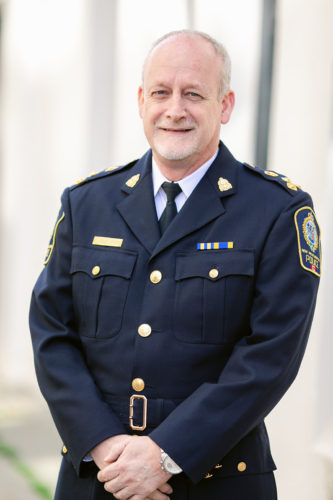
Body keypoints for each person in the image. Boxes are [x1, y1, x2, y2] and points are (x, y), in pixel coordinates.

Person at [29, 30, 321, 500]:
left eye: (194, 94)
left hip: (217, 480)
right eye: (161, 93)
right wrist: (105, 446)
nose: (175, 109)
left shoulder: (276, 211)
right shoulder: (87, 203)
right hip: (99, 479)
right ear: (142, 100)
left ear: (225, 106)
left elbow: (270, 356)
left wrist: (166, 454)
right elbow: (51, 334)